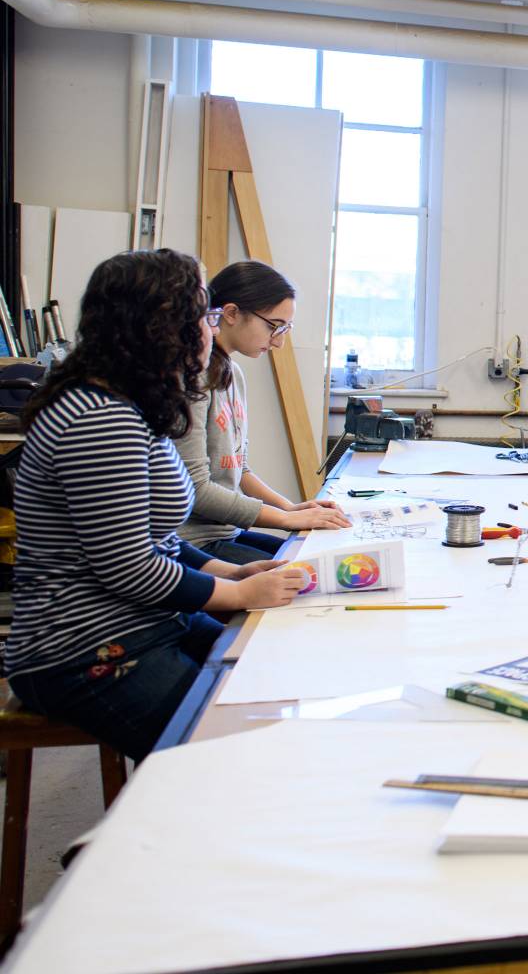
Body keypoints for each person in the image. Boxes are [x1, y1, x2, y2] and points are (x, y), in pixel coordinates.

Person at [4, 250, 309, 759]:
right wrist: (234, 593)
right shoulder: (98, 419)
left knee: (268, 675)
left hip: (145, 618)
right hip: (81, 643)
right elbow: (127, 566)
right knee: (233, 749)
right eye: (203, 317)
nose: (211, 331)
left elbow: (156, 539)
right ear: (159, 328)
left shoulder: (135, 406)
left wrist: (228, 574)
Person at [174, 260, 348, 564]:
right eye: (273, 326)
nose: (278, 341)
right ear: (230, 313)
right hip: (193, 544)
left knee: (314, 558)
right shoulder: (195, 377)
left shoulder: (233, 373)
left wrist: (290, 509)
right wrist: (283, 520)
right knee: (304, 573)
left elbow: (240, 469)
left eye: (285, 329)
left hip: (225, 533)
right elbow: (196, 489)